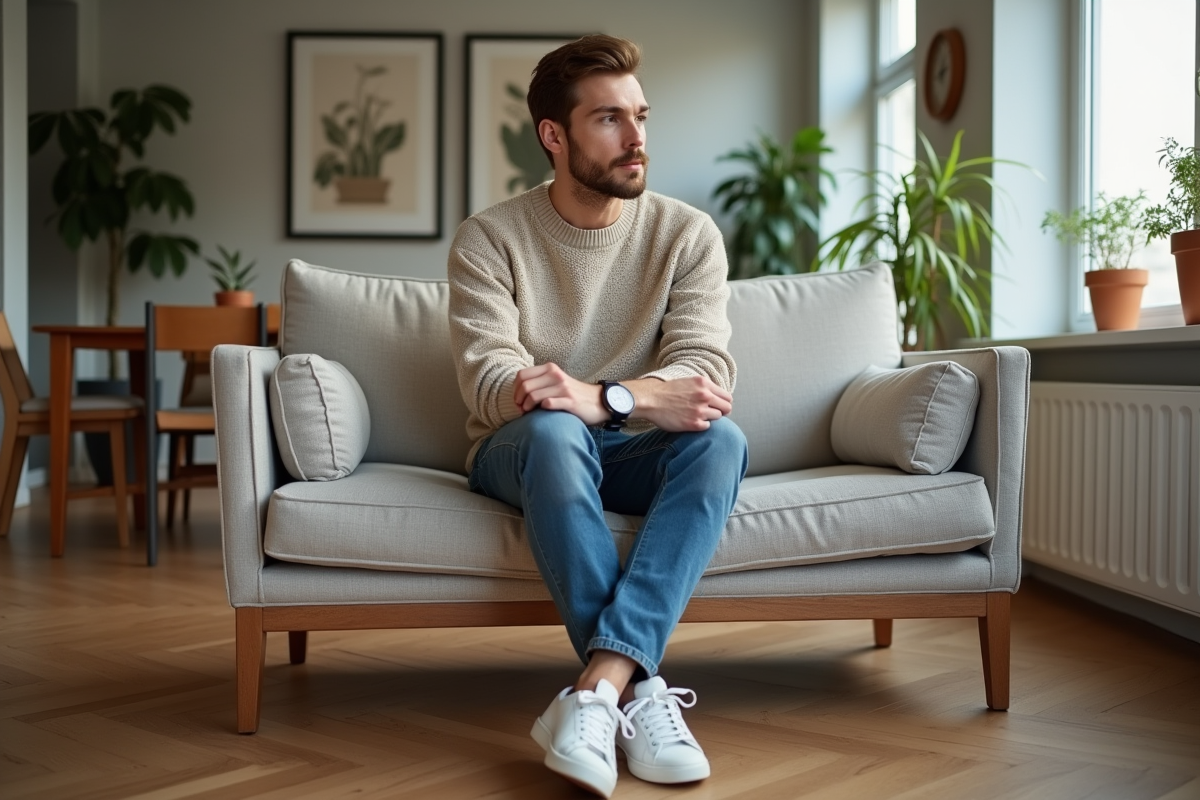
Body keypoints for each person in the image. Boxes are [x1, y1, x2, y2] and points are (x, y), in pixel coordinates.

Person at [447, 34, 748, 798]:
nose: (637, 137)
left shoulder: (687, 236)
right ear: (555, 135)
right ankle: (638, 694)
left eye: (640, 115)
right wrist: (598, 401)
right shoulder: (489, 239)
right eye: (610, 119)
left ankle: (601, 691)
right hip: (521, 452)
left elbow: (705, 375)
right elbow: (490, 381)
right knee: (555, 430)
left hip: (629, 450)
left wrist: (604, 398)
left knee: (722, 442)